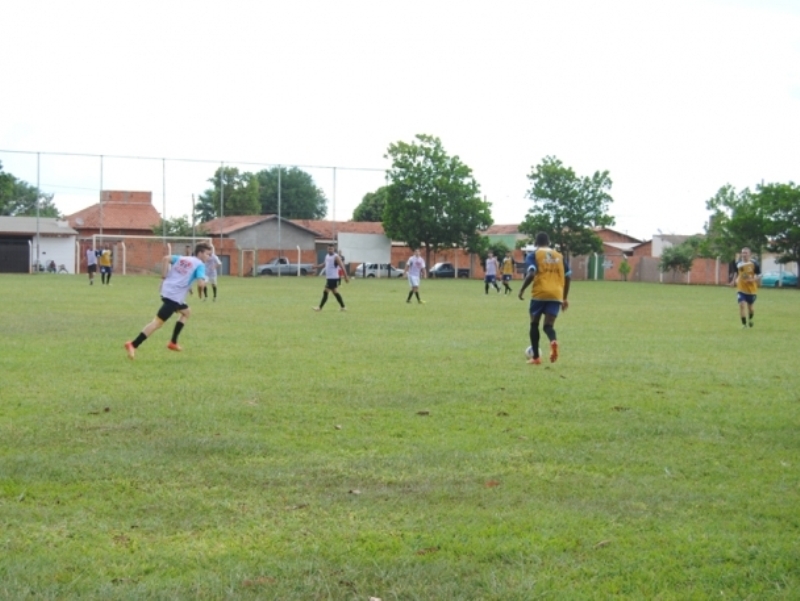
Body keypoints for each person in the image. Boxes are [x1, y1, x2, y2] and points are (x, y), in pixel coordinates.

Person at [124, 242, 212, 359]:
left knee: (186, 312)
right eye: (207, 254)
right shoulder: (200, 265)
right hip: (174, 296)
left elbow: (166, 259)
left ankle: (173, 342)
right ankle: (133, 344)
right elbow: (201, 284)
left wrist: (164, 277)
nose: (209, 257)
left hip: (168, 290)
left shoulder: (183, 258)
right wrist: (205, 283)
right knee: (157, 323)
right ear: (200, 253)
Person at [517, 232, 570, 365]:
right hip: (556, 294)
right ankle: (553, 340)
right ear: (549, 242)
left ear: (536, 243)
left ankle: (536, 357)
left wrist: (522, 289)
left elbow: (531, 273)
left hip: (540, 294)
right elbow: (568, 276)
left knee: (534, 324)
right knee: (548, 326)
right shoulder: (559, 256)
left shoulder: (534, 255)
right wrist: (564, 297)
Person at [313, 244, 349, 312]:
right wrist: (316, 267)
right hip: (329, 277)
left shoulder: (336, 257)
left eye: (331, 249)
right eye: (329, 249)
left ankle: (319, 308)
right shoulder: (327, 256)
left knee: (325, 291)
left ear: (334, 249)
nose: (330, 250)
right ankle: (343, 307)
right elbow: (324, 264)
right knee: (335, 292)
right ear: (327, 249)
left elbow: (342, 266)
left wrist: (346, 277)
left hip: (333, 278)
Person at [732, 246, 760, 328]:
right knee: (742, 305)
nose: (744, 254)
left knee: (750, 308)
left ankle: (750, 319)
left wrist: (753, 279)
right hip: (741, 288)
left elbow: (759, 275)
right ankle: (744, 324)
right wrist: (733, 281)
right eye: (742, 253)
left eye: (746, 253)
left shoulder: (754, 263)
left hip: (751, 290)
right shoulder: (738, 263)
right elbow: (736, 273)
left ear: (749, 254)